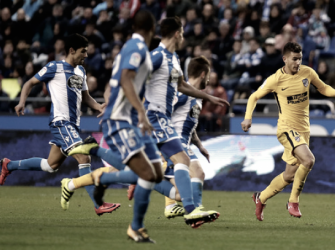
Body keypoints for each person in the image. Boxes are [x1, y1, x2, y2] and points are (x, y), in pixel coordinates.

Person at [68, 10, 162, 243]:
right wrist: (141, 111)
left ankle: (102, 178)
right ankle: (136, 228)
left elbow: (114, 82)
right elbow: (125, 79)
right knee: (147, 174)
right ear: (152, 29)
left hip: (127, 118)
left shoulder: (131, 50)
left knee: (157, 172)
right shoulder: (137, 48)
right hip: (122, 121)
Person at [0, 34, 120, 216]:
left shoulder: (81, 71)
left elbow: (86, 97)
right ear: (72, 50)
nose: (86, 55)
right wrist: (22, 102)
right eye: (83, 51)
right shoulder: (54, 67)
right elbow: (29, 83)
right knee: (84, 158)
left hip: (73, 125)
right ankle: (98, 204)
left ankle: (8, 165)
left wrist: (98, 106)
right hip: (61, 123)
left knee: (51, 165)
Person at [241, 42, 335, 221]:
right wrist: (247, 117)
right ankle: (293, 201)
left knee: (290, 175)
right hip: (286, 129)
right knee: (308, 160)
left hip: (303, 130)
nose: (298, 62)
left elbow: (322, 88)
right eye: (294, 59)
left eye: (300, 59)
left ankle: (261, 197)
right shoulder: (275, 79)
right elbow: (254, 96)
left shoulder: (308, 73)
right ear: (285, 59)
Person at [143, 17, 228, 227]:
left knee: (186, 166)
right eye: (182, 32)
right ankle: (188, 208)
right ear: (177, 34)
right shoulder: (156, 56)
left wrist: (208, 97)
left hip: (166, 125)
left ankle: (190, 209)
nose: (183, 36)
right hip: (155, 118)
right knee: (182, 165)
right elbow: (132, 77)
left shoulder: (174, 59)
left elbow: (180, 84)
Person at [129, 56, 214, 223]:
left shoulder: (196, 97)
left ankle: (193, 208)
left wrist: (200, 145)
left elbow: (190, 125)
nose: (210, 80)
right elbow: (161, 112)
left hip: (184, 141)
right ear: (203, 74)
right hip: (173, 140)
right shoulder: (183, 94)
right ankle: (194, 209)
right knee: (194, 175)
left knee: (197, 175)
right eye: (209, 76)